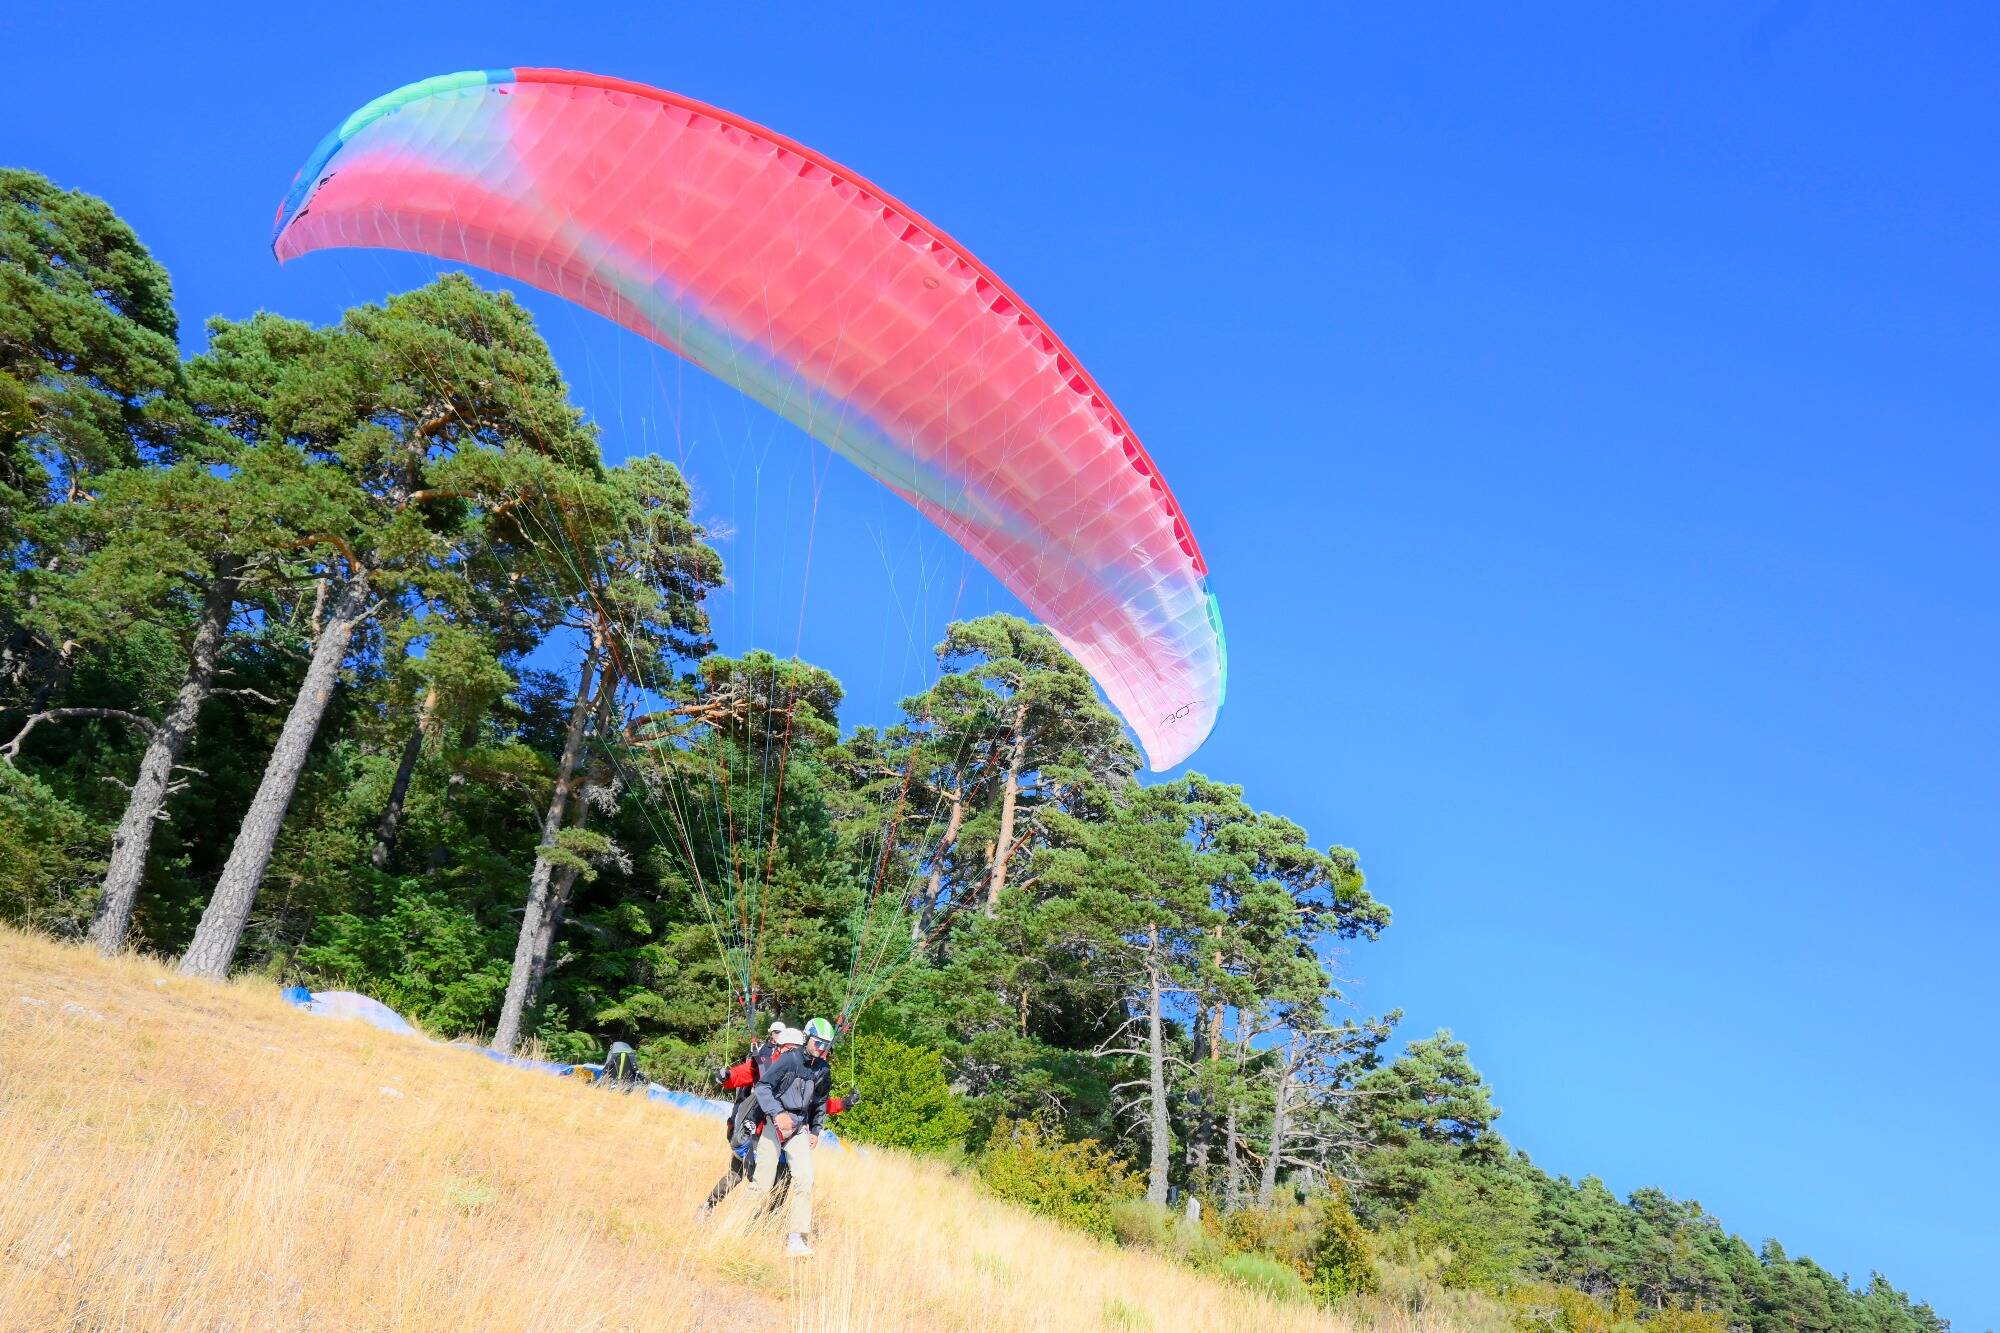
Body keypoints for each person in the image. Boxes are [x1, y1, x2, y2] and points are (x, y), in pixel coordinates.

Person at [746, 1016, 836, 1256]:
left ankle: (796, 1238)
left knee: (805, 1180)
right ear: (807, 1039)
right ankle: (740, 1225)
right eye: (818, 1043)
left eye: (826, 1045)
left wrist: (816, 1130)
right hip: (775, 1125)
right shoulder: (789, 1060)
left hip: (798, 1127)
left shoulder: (823, 1070)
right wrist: (777, 1114)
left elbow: (820, 1102)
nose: (821, 1048)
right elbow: (763, 1087)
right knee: (763, 1184)